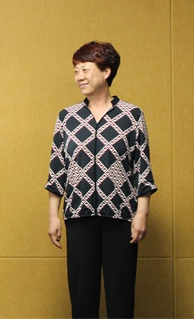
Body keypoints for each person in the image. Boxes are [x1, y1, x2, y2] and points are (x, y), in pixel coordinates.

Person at [45, 41, 158, 318]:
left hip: (121, 217)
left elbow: (142, 168)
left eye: (85, 69)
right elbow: (57, 168)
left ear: (106, 71)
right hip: (79, 215)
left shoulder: (131, 116)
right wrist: (53, 216)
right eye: (76, 71)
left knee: (121, 298)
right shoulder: (67, 117)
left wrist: (141, 214)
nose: (79, 77)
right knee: (82, 299)